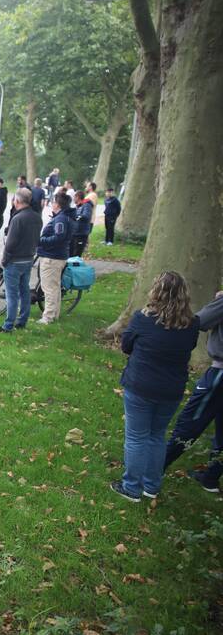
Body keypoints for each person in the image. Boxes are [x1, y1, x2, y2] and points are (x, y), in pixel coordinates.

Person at [112, 271, 200, 502]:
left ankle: (131, 486)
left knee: (137, 436)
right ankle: (151, 485)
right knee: (157, 436)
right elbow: (188, 347)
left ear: (156, 292)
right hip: (171, 388)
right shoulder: (191, 324)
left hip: (141, 386)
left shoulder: (143, 319)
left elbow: (126, 345)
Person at [162, 289, 223, 492]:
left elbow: (200, 322)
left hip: (220, 374)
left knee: (191, 420)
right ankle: (211, 477)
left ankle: (158, 466)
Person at [0, 188, 42, 333]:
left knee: (12, 294)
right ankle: (22, 320)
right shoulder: (37, 217)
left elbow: (10, 243)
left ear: (17, 201)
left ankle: (8, 325)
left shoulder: (17, 219)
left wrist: (4, 259)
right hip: (28, 259)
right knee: (24, 291)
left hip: (15, 261)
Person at [35, 192, 73, 325]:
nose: (51, 204)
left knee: (49, 288)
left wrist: (41, 241)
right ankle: (54, 314)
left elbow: (59, 237)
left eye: (53, 202)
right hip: (58, 256)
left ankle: (48, 317)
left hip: (52, 258)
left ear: (57, 204)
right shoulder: (65, 217)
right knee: (55, 287)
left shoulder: (61, 219)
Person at [70, 190, 93, 257]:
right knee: (71, 253)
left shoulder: (87, 205)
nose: (73, 198)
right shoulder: (77, 206)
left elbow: (86, 216)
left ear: (78, 197)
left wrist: (76, 216)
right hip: (75, 233)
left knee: (77, 254)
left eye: (74, 197)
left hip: (81, 234)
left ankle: (76, 267)